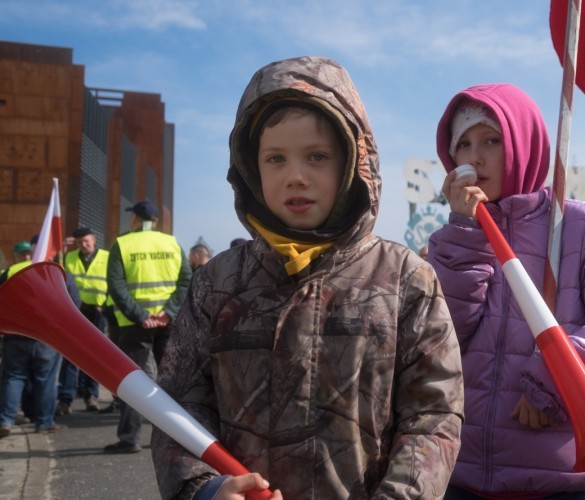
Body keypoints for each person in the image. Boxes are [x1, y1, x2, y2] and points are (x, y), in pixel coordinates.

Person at [150, 56, 464, 500]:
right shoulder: (216, 284)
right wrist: (204, 488)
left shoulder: (406, 280)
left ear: (353, 162)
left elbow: (432, 416)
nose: (295, 176)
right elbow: (179, 407)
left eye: (317, 157)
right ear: (251, 168)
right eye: (275, 159)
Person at [428, 83, 585, 499]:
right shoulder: (453, 238)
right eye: (463, 144)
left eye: (492, 140)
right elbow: (442, 337)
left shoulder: (582, 226)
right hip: (456, 473)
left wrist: (561, 373)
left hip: (556, 480)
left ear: (524, 141)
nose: (474, 158)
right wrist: (465, 235)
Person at [103, 200, 191, 454]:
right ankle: (177, 437)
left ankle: (130, 438)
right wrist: (168, 312)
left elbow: (116, 286)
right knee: (172, 380)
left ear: (135, 219)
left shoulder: (122, 244)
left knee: (132, 383)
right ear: (155, 221)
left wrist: (140, 315)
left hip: (134, 324)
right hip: (167, 323)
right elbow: (186, 280)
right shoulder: (172, 243)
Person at [0, 241, 68, 437]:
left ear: (16, 256)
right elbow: (71, 301)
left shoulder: (9, 272)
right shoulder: (50, 270)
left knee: (14, 377)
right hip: (44, 337)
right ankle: (44, 422)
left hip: (15, 336)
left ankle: (5, 420)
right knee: (45, 380)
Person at [58, 227, 108, 414]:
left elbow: (114, 281)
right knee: (70, 355)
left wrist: (106, 305)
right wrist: (61, 250)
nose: (83, 244)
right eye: (79, 242)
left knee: (95, 356)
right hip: (75, 311)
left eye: (86, 241)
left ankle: (91, 395)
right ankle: (66, 399)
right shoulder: (69, 257)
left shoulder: (106, 257)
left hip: (97, 311)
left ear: (94, 239)